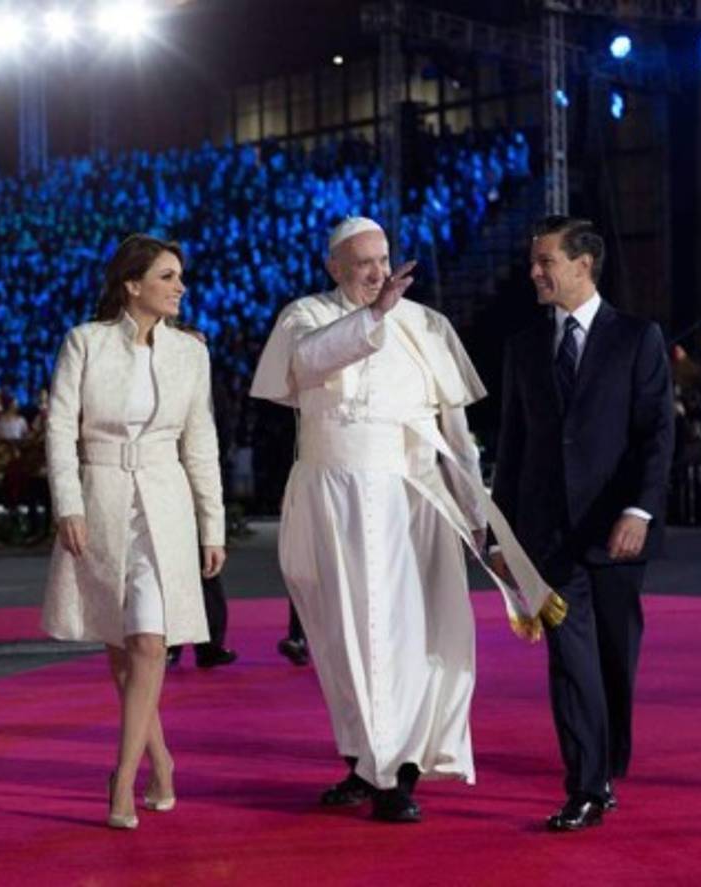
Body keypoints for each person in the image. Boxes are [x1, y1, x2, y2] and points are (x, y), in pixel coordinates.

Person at [250, 217, 556, 823]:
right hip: (331, 501)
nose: (376, 271)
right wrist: (373, 316)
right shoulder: (305, 315)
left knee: (411, 635)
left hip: (410, 502)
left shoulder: (425, 326)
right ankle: (366, 762)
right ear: (334, 267)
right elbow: (309, 362)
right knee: (343, 640)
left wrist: (476, 516)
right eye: (362, 262)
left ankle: (397, 774)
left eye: (383, 258)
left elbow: (454, 433)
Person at [490, 216, 674, 831]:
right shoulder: (521, 348)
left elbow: (656, 435)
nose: (534, 272)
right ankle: (587, 785)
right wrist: (501, 536)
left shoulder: (637, 338)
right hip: (548, 540)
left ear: (583, 264)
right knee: (570, 664)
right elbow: (513, 450)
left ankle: (608, 761)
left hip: (618, 534)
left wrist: (639, 510)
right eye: (533, 262)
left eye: (545, 261)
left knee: (614, 662)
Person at [42, 233, 226, 830]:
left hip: (164, 503)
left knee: (151, 643)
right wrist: (68, 504)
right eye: (168, 276)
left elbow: (201, 443)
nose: (181, 286)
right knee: (121, 648)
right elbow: (59, 430)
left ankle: (121, 780)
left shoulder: (191, 353)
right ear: (132, 284)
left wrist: (211, 525)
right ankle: (161, 760)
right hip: (100, 500)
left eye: (180, 276)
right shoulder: (86, 343)